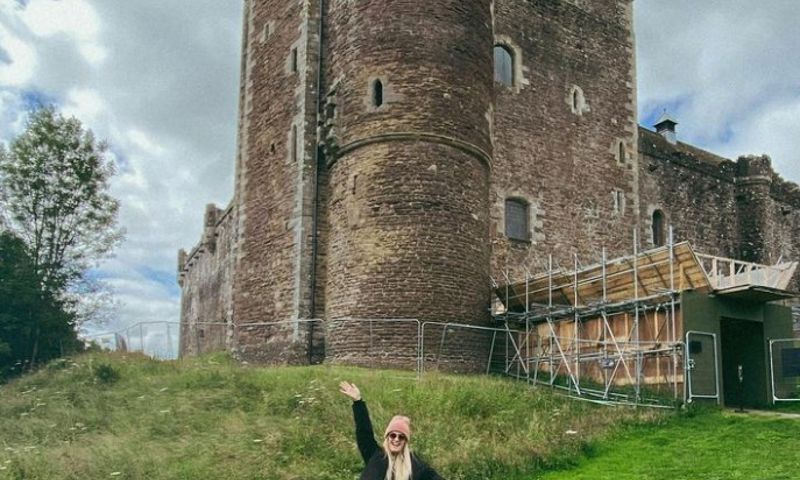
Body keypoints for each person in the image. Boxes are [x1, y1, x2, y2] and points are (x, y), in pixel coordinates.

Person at [339, 381, 443, 480]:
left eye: (401, 436)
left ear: (405, 441)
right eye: (393, 435)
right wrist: (358, 401)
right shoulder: (374, 455)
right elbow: (364, 431)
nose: (396, 439)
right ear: (387, 437)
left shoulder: (415, 465)